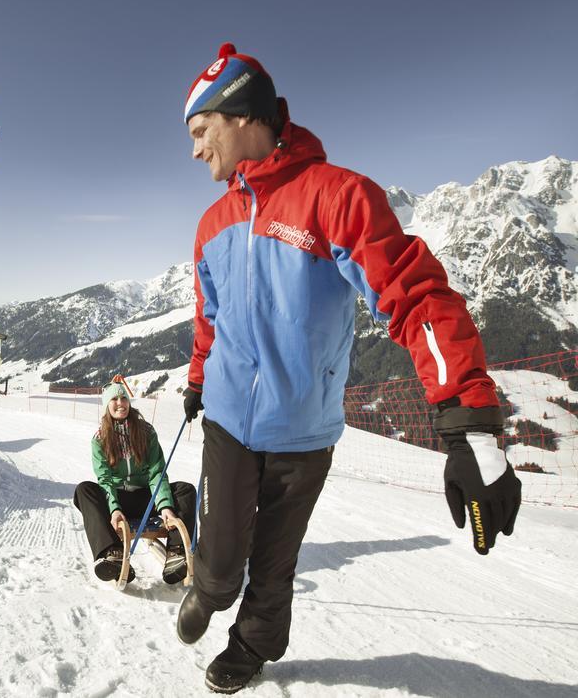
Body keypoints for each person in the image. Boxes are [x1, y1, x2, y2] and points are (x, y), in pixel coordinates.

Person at [176, 43, 523, 693]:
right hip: (227, 417)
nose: (195, 151)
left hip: (303, 431)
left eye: (200, 131)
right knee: (220, 561)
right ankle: (212, 587)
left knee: (274, 563)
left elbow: (416, 298)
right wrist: (198, 381)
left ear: (241, 114)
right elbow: (208, 321)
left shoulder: (338, 198)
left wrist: (469, 421)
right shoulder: (212, 223)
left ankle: (251, 646)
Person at [73, 380, 197, 585]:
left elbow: (157, 471)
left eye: (124, 398)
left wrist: (165, 505)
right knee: (84, 490)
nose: (120, 403)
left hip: (146, 498)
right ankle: (111, 552)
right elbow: (104, 478)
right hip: (120, 500)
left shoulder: (146, 432)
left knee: (185, 490)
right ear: (106, 404)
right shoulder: (100, 438)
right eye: (114, 399)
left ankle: (177, 552)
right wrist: (114, 508)